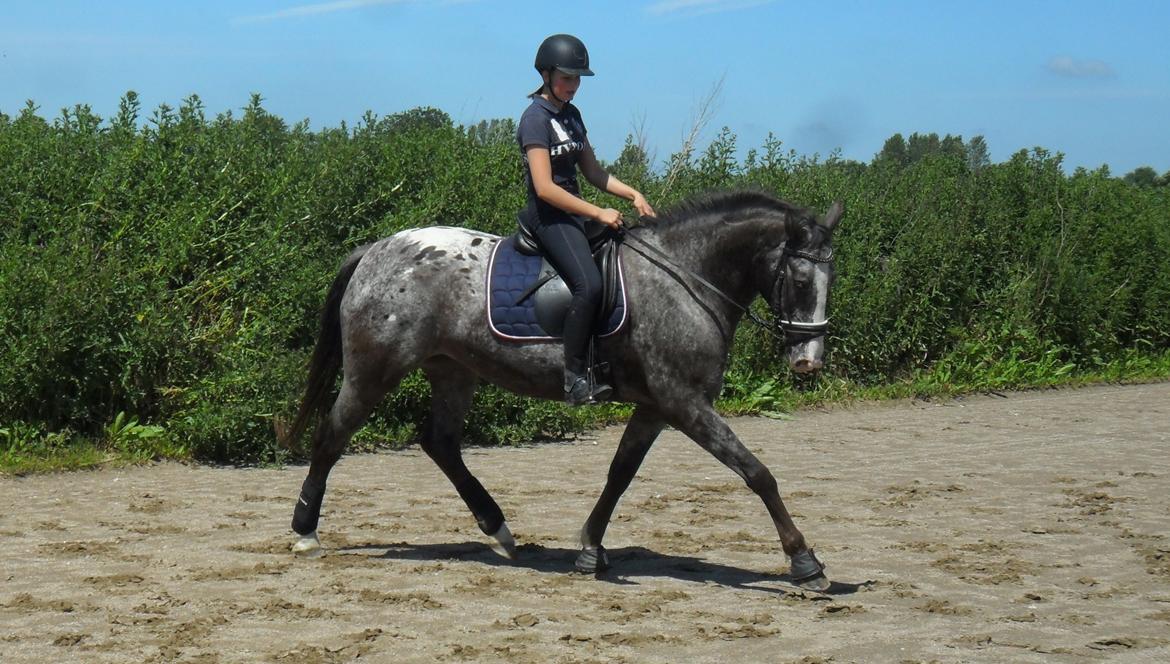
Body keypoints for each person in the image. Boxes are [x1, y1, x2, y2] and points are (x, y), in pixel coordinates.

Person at [517, 33, 656, 406]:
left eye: (577, 79)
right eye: (566, 77)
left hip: (573, 212)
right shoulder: (535, 119)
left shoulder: (572, 116)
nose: (573, 86)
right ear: (546, 75)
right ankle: (574, 379)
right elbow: (545, 187)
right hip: (548, 216)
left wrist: (632, 194)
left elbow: (593, 172)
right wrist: (597, 212)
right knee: (589, 285)